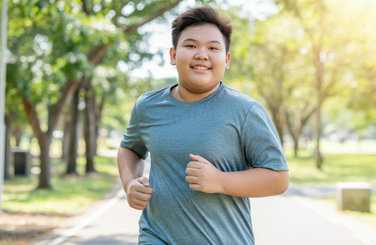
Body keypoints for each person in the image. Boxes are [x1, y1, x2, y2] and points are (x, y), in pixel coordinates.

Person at [117, 5, 289, 245]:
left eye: (213, 48)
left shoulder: (246, 111)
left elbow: (278, 178)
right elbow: (130, 149)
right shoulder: (148, 106)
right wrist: (130, 183)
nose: (201, 54)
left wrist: (220, 181)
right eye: (190, 45)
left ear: (226, 60)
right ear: (173, 55)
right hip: (156, 237)